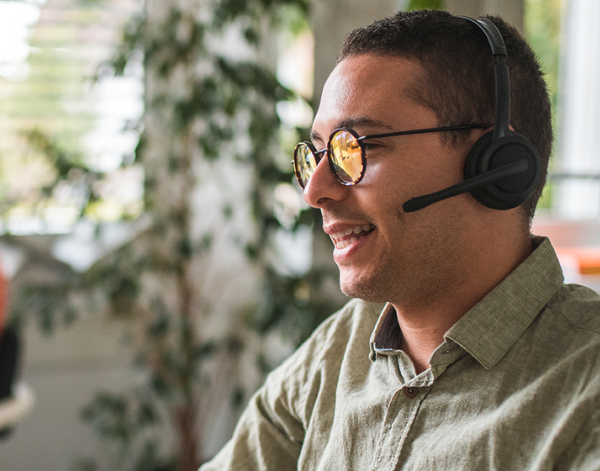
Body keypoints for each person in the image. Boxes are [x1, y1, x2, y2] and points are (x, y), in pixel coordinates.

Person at [200, 9, 600, 470]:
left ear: (495, 166)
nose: (314, 191)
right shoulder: (338, 350)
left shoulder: (583, 393)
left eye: (357, 148)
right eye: (318, 153)